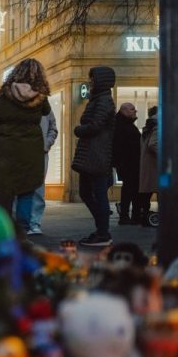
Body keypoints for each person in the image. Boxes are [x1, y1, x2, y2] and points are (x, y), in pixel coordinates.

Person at [0, 58, 51, 237]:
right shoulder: (39, 96)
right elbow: (46, 112)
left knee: (3, 191)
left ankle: (1, 230)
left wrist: (1, 136)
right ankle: (22, 231)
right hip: (31, 149)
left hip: (5, 148)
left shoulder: (2, 94)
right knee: (27, 189)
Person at [72, 66, 117, 247]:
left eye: (92, 79)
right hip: (91, 153)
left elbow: (96, 125)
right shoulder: (97, 99)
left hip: (98, 154)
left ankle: (103, 232)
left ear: (102, 81)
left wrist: (79, 130)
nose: (90, 82)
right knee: (86, 192)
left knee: (98, 193)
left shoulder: (104, 101)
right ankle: (101, 229)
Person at [28, 111, 59, 235]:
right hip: (19, 152)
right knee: (19, 190)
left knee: (38, 188)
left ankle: (35, 223)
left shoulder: (45, 108)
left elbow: (53, 128)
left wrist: (46, 144)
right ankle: (21, 224)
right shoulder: (17, 102)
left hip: (40, 153)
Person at [112, 103, 142, 225]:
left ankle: (131, 215)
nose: (135, 111)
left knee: (131, 189)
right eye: (132, 109)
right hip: (128, 164)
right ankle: (127, 215)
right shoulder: (121, 125)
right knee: (130, 189)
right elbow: (121, 146)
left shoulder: (123, 124)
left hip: (129, 163)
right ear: (124, 111)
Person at [138, 105, 158, 227]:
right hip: (156, 166)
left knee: (146, 193)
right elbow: (153, 144)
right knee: (164, 191)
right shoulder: (158, 125)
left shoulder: (148, 126)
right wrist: (167, 156)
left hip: (149, 165)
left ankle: (143, 215)